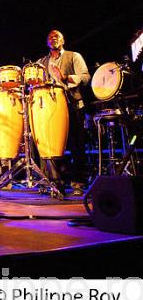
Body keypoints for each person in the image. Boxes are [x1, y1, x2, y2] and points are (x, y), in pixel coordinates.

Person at [37, 29, 91, 195]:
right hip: (50, 109)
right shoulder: (41, 62)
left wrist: (65, 77)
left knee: (76, 145)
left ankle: (78, 182)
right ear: (47, 42)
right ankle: (54, 181)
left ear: (63, 40)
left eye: (57, 36)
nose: (54, 38)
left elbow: (86, 77)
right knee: (48, 144)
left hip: (73, 105)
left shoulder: (73, 56)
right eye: (50, 37)